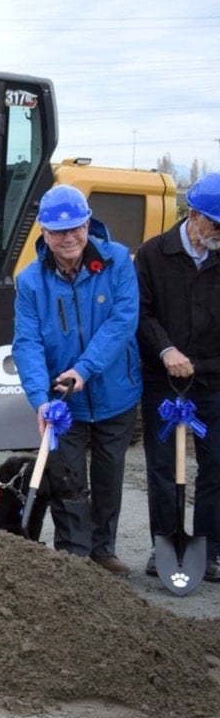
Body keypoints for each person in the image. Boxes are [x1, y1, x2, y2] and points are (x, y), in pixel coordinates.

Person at [12, 185, 139, 572]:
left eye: (76, 228)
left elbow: (122, 322)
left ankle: (103, 549)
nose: (68, 238)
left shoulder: (117, 261)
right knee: (67, 480)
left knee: (108, 475)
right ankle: (74, 557)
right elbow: (27, 342)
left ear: (88, 224)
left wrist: (84, 370)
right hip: (63, 403)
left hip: (115, 392)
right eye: (57, 231)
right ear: (44, 234)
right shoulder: (31, 281)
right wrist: (40, 399)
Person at [135, 173, 220, 581]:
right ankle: (164, 543)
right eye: (217, 225)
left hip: (213, 380)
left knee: (217, 465)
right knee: (163, 467)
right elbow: (142, 313)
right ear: (194, 215)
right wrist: (166, 350)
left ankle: (211, 549)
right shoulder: (153, 254)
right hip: (163, 379)